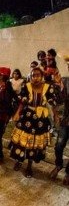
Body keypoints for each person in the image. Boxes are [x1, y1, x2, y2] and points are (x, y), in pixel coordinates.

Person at [8, 67, 57, 178]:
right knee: (22, 141)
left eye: (38, 75)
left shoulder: (48, 87)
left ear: (42, 76)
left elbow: (52, 102)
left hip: (40, 121)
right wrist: (17, 113)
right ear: (30, 76)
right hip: (27, 118)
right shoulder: (27, 86)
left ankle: (29, 166)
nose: (35, 77)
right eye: (33, 75)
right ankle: (19, 161)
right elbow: (22, 101)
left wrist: (55, 115)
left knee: (34, 144)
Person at [49, 54, 69, 185]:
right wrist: (58, 86)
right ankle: (58, 165)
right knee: (58, 146)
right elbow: (61, 99)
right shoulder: (66, 81)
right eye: (68, 65)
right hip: (66, 120)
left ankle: (68, 172)